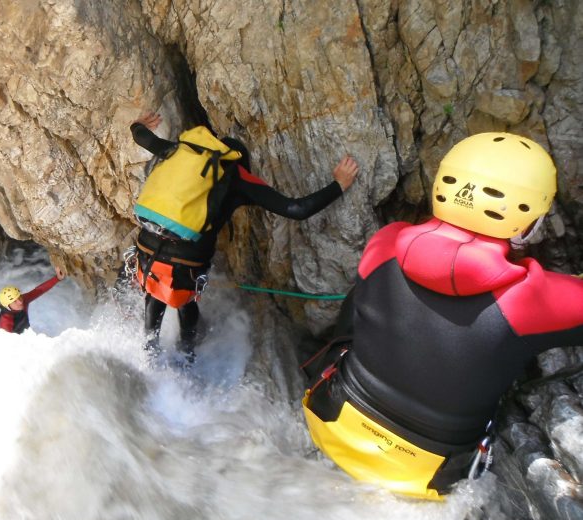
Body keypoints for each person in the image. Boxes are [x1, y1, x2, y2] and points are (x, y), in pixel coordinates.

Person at [301, 132, 583, 500]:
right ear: (527, 221)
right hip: (427, 478)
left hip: (329, 421)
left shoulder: (386, 243)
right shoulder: (531, 298)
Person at [127, 112, 359, 362]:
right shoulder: (238, 176)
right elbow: (297, 209)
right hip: (186, 264)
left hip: (147, 247)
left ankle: (149, 355)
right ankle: (186, 358)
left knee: (155, 291)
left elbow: (142, 137)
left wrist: (138, 123)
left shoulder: (181, 152)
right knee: (184, 300)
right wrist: (338, 184)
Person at [0, 266, 65, 334]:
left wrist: (57, 278)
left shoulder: (23, 300)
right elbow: (6, 342)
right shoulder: (5, 323)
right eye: (14, 301)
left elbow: (39, 290)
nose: (20, 302)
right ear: (8, 306)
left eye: (19, 297)